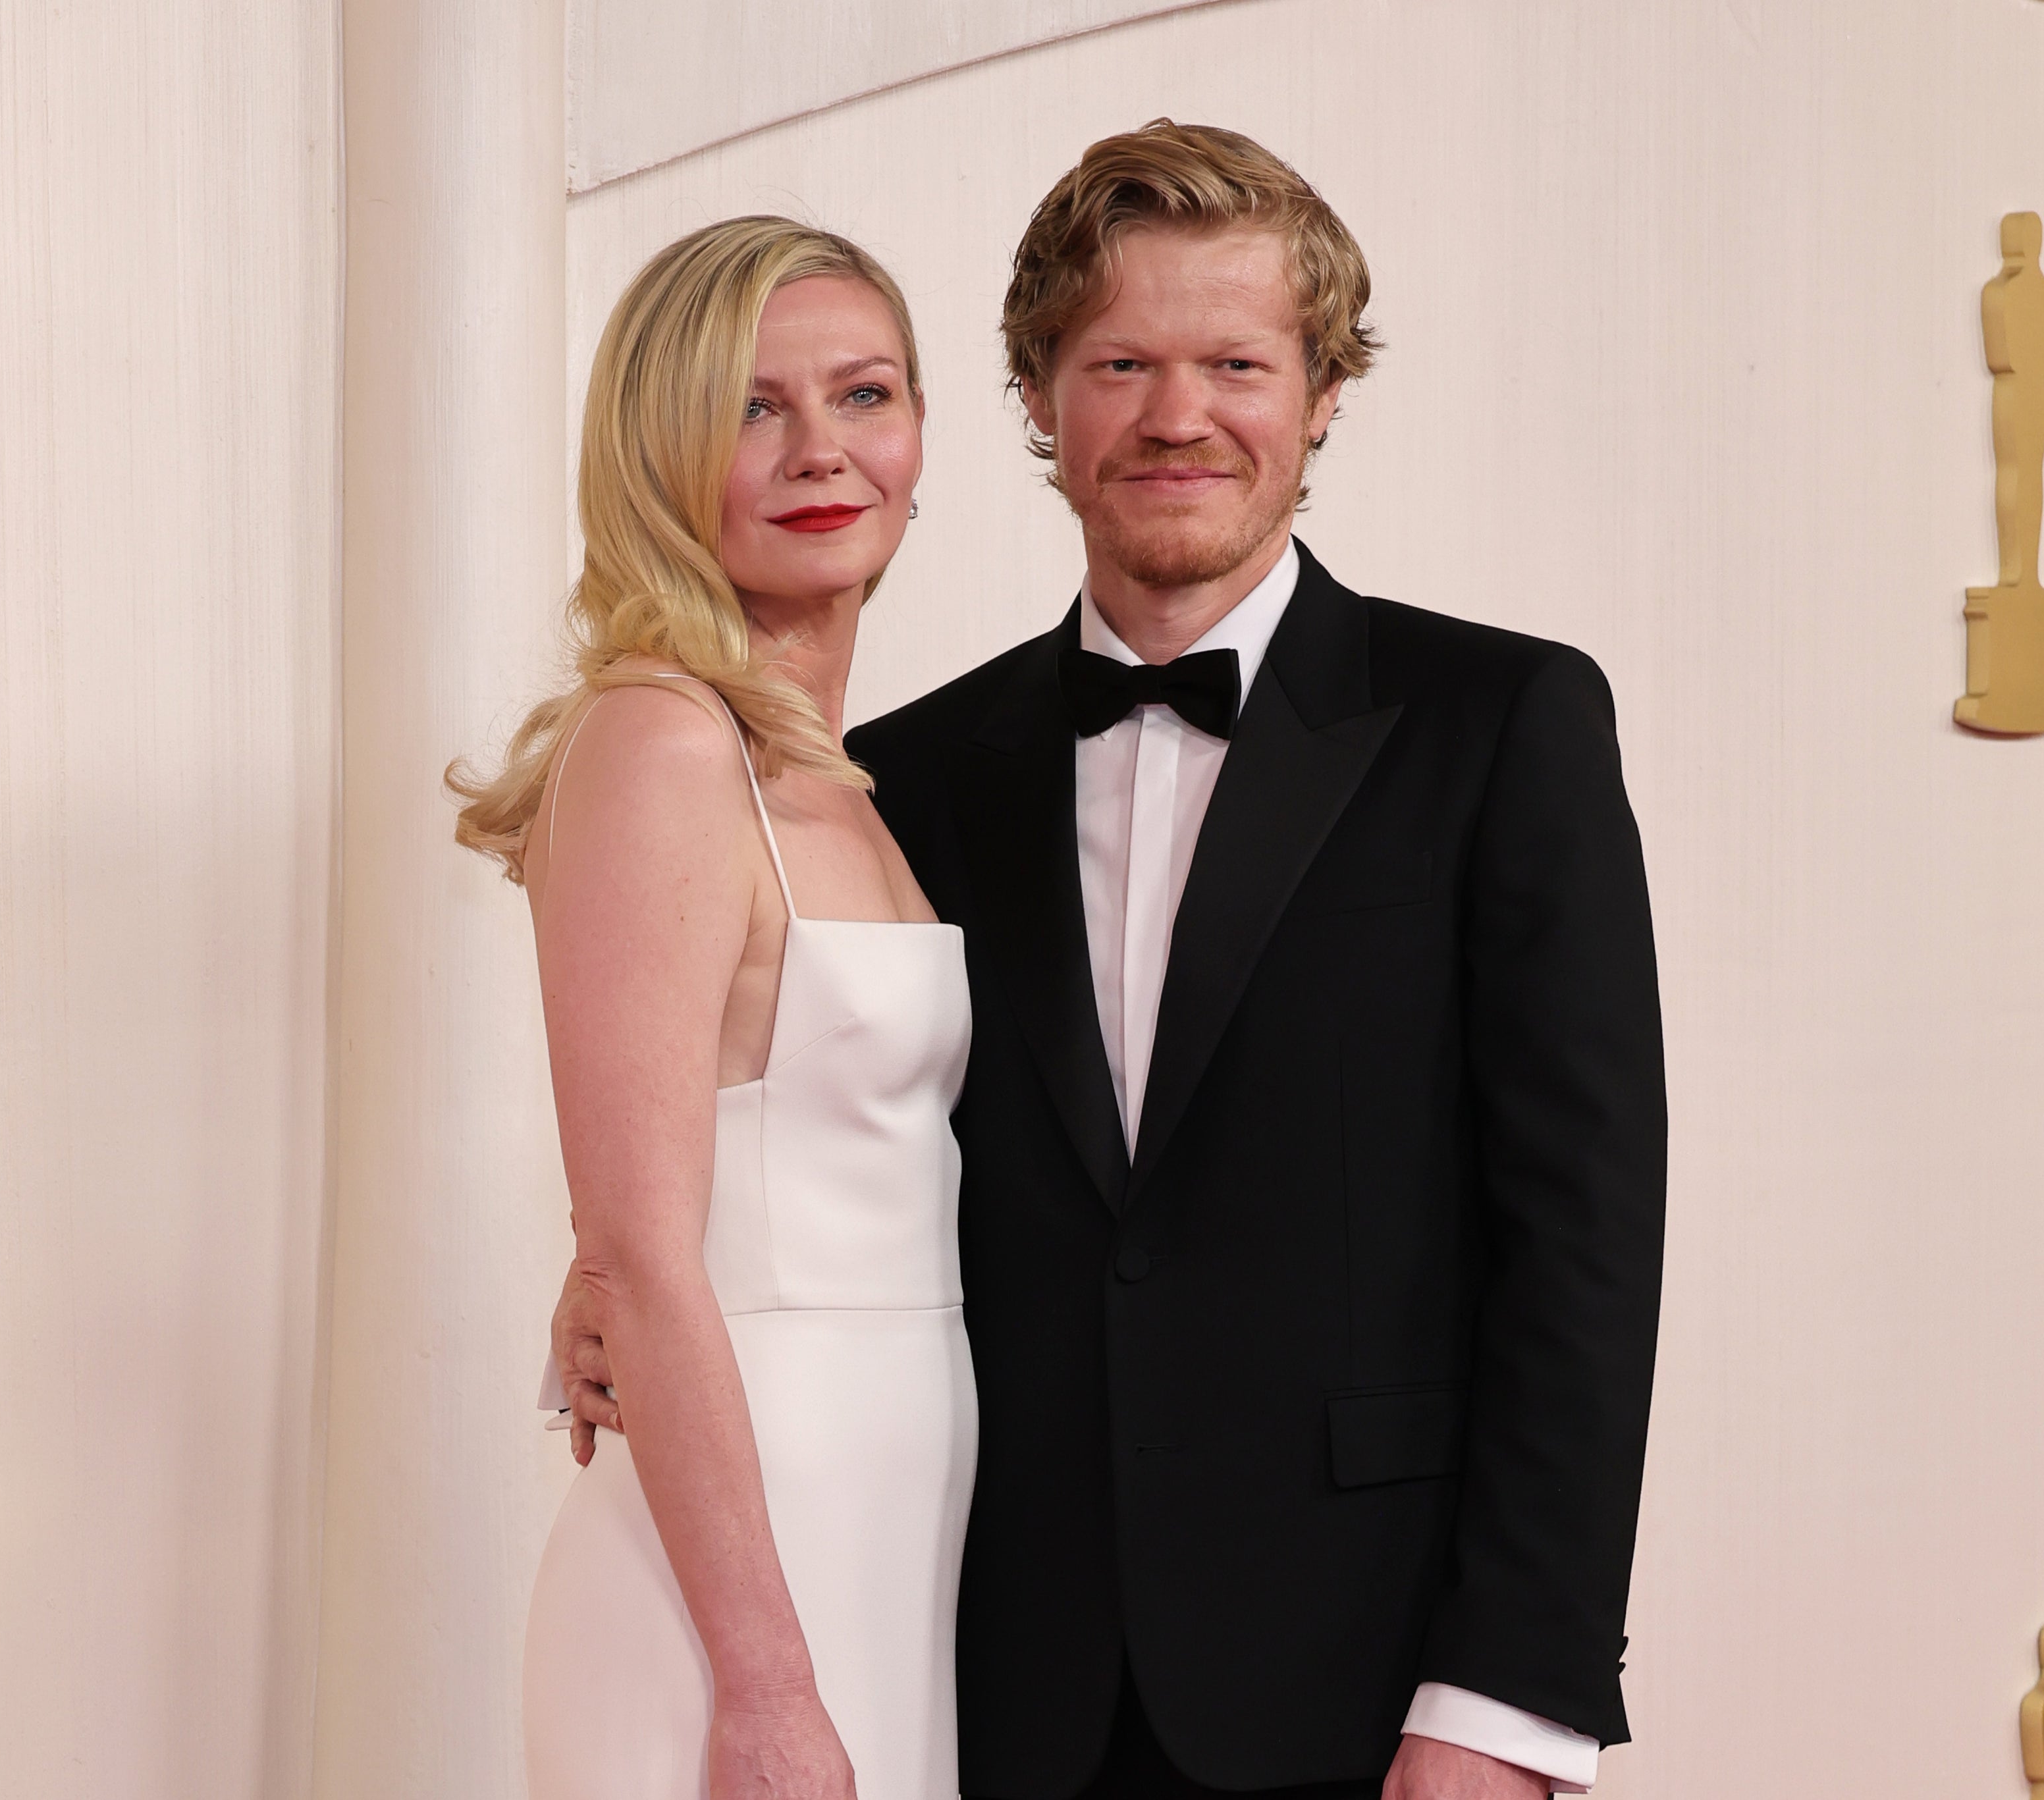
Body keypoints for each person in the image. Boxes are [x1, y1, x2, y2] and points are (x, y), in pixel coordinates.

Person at [558, 121, 1667, 1800]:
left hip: (1369, 1685)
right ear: (1033, 404)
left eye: (1235, 361)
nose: (1175, 415)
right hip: (978, 1666)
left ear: (1319, 396)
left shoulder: (1499, 724)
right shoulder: (905, 776)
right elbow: (790, 1108)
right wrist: (608, 1270)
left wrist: (1507, 1697)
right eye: (1118, 363)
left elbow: (1587, 1238)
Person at [454, 217, 971, 1800]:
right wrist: (759, 1682)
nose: (822, 450)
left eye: (864, 394)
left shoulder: (836, 777)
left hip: (887, 1527)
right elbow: (646, 1246)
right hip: (740, 1581)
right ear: (657, 451)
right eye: (754, 407)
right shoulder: (663, 743)